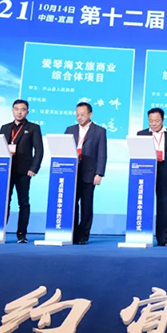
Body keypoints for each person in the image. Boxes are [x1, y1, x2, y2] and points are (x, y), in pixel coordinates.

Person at [0, 99, 44, 243]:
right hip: (6, 171)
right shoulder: (5, 128)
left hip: (24, 171)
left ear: (27, 112)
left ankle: (21, 234)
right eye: (17, 109)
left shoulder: (33, 128)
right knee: (4, 201)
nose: (19, 112)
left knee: (23, 202)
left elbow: (39, 150)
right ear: (12, 110)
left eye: (23, 110)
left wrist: (34, 168)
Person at [64, 102, 107, 245]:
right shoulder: (70, 129)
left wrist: (99, 173)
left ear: (90, 114)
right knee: (72, 203)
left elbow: (102, 154)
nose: (79, 117)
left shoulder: (99, 131)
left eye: (82, 115)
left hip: (89, 172)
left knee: (86, 205)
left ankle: (83, 235)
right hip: (72, 172)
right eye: (77, 115)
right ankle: (72, 233)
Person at [137, 108, 167, 247]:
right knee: (144, 204)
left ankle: (163, 239)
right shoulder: (141, 134)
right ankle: (143, 235)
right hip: (147, 172)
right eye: (151, 121)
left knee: (164, 207)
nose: (153, 124)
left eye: (156, 120)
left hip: (165, 173)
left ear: (163, 120)